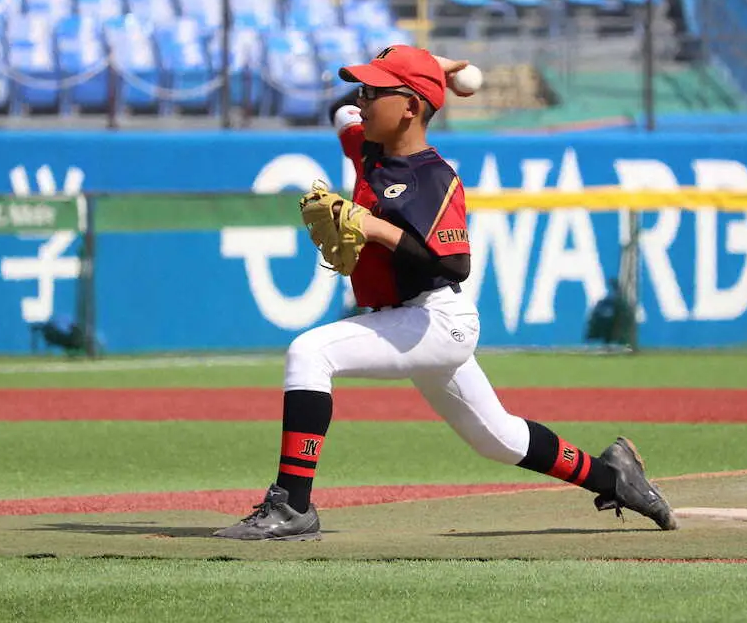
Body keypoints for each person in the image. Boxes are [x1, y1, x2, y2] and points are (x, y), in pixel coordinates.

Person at [214, 45, 677, 541]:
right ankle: (615, 476)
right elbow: (340, 109)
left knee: (310, 352)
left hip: (436, 319)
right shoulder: (367, 145)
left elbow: (455, 262)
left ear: (410, 107)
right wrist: (431, 65)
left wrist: (373, 227)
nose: (363, 101)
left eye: (376, 91)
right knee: (497, 438)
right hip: (408, 321)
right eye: (364, 89)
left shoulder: (434, 178)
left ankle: (293, 507)